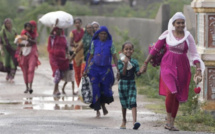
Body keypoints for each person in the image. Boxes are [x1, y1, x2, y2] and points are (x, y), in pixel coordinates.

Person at [140, 12, 205, 131]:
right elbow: (155, 50)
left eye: (182, 23)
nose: (180, 25)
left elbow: (194, 53)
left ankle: (172, 122)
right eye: (178, 23)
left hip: (182, 68)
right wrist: (145, 64)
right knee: (171, 91)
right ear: (173, 24)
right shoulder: (167, 35)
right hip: (167, 66)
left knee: (177, 95)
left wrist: (198, 69)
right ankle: (168, 119)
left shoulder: (188, 36)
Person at [85, 26, 119, 118]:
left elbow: (115, 57)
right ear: (98, 34)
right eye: (101, 34)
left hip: (106, 71)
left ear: (107, 35)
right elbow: (90, 56)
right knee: (95, 88)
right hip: (94, 69)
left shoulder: (110, 44)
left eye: (105, 34)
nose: (103, 35)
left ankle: (103, 105)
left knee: (104, 89)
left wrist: (118, 70)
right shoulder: (94, 43)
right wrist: (86, 69)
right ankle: (97, 110)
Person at [118, 42, 141, 130]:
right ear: (123, 51)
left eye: (130, 49)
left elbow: (137, 73)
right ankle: (124, 120)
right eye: (126, 49)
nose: (128, 51)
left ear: (133, 51)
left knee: (133, 101)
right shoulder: (120, 61)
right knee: (123, 103)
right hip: (122, 83)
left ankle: (134, 122)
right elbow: (123, 73)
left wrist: (141, 71)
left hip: (131, 83)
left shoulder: (135, 62)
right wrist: (126, 64)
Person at [18, 20, 40, 94]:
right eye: (27, 27)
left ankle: (31, 87)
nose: (28, 28)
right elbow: (19, 44)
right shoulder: (23, 34)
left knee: (31, 69)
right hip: (24, 53)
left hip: (32, 52)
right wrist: (24, 44)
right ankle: (26, 87)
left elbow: (34, 42)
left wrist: (28, 38)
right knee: (25, 70)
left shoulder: (35, 34)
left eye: (30, 27)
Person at [47, 27, 69, 96]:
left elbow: (66, 47)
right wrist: (54, 26)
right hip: (53, 57)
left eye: (60, 29)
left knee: (61, 74)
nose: (59, 31)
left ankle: (56, 89)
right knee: (57, 72)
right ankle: (55, 90)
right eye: (57, 29)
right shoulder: (53, 37)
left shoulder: (64, 37)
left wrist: (68, 54)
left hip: (62, 58)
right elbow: (50, 34)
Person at [0, 18, 18, 83]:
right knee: (7, 64)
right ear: (5, 24)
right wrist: (1, 50)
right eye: (7, 23)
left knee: (14, 63)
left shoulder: (14, 30)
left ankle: (12, 77)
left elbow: (17, 38)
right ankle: (8, 73)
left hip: (14, 48)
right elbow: (1, 42)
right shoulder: (2, 32)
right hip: (6, 49)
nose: (8, 25)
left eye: (9, 23)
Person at [70, 18, 85, 87]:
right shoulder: (72, 32)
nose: (77, 24)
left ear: (81, 23)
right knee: (77, 72)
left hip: (84, 53)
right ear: (74, 25)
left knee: (83, 71)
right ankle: (79, 88)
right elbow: (71, 43)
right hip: (76, 54)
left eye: (78, 23)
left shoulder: (84, 31)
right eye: (76, 23)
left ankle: (83, 86)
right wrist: (76, 45)